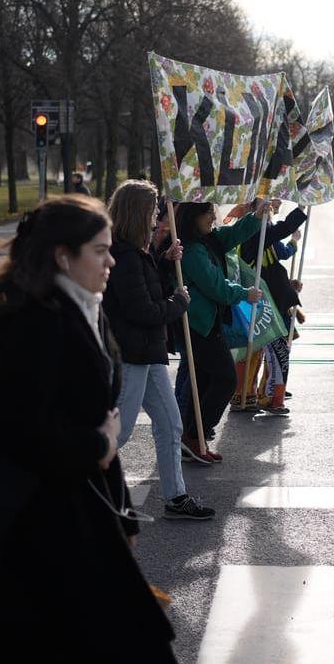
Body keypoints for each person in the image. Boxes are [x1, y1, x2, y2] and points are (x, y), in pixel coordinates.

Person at [0, 195, 175, 662]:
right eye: (99, 250)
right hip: (40, 526)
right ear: (64, 256)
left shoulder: (89, 308)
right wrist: (96, 443)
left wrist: (121, 511)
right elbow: (15, 426)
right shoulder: (30, 320)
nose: (111, 260)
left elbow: (99, 414)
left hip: (85, 514)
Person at [104, 182, 214, 520]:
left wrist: (164, 263)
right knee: (118, 434)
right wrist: (178, 303)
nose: (158, 217)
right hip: (134, 356)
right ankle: (81, 488)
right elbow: (144, 312)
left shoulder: (138, 254)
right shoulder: (125, 258)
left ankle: (176, 496)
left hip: (148, 355)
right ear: (139, 213)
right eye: (153, 210)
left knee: (170, 424)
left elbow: (147, 292)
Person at [172, 200, 264, 463]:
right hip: (199, 325)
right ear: (193, 217)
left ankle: (193, 437)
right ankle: (194, 435)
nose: (214, 217)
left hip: (206, 322)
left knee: (203, 382)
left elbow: (232, 234)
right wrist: (245, 293)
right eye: (208, 213)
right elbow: (216, 286)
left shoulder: (206, 240)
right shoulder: (191, 251)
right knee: (224, 379)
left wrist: (256, 216)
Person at [234, 200, 306, 415]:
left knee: (271, 349)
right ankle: (262, 396)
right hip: (261, 303)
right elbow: (280, 233)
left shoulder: (265, 234)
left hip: (274, 301)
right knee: (263, 350)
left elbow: (273, 264)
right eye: (266, 206)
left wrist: (288, 285)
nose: (273, 207)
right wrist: (301, 209)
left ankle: (263, 393)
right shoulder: (252, 234)